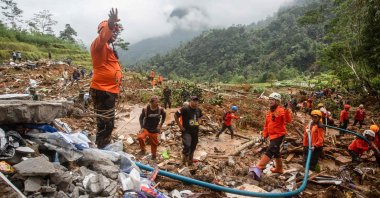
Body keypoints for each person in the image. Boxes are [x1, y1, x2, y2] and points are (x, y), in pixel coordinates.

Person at [89, 8, 123, 148]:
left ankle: (103, 146)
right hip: (103, 90)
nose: (114, 33)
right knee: (105, 124)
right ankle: (102, 149)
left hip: (109, 91)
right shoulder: (98, 44)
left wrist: (113, 27)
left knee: (107, 123)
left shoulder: (108, 48)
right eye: (112, 31)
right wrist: (110, 23)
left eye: (116, 31)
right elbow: (104, 36)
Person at [251, 93, 292, 180]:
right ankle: (279, 169)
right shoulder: (269, 112)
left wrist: (286, 110)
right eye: (269, 99)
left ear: (277, 101)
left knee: (270, 150)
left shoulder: (281, 110)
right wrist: (264, 135)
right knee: (276, 152)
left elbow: (288, 121)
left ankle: (259, 168)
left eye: (272, 100)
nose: (270, 101)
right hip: (272, 135)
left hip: (279, 135)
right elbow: (266, 125)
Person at [174, 96, 203, 166]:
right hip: (187, 131)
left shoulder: (198, 110)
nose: (196, 103)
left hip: (195, 131)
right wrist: (180, 126)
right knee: (187, 145)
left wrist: (199, 121)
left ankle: (190, 161)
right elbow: (176, 115)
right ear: (191, 101)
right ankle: (184, 161)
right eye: (194, 101)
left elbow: (201, 116)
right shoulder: (185, 108)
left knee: (193, 146)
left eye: (197, 101)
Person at [137, 96, 166, 160]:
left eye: (158, 102)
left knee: (154, 143)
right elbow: (141, 118)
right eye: (156, 102)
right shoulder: (145, 109)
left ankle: (153, 155)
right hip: (146, 128)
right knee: (140, 137)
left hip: (155, 129)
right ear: (151, 103)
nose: (157, 103)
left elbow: (164, 116)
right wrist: (141, 127)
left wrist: (160, 125)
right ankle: (143, 150)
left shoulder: (160, 109)